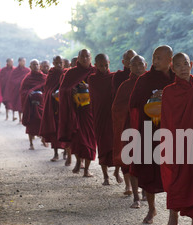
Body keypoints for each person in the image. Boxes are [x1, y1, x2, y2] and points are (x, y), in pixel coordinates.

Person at [160, 52, 193, 225]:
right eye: (178, 65)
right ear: (172, 67)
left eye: (185, 64)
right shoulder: (169, 92)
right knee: (177, 183)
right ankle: (173, 216)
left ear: (191, 65)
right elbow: (166, 121)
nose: (182, 68)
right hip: (177, 143)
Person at [128, 45, 175, 224]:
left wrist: (168, 95)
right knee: (149, 172)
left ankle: (174, 217)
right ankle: (152, 209)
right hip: (149, 130)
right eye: (154, 57)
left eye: (159, 58)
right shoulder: (145, 80)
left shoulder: (177, 78)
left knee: (174, 173)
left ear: (169, 60)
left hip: (172, 132)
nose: (155, 61)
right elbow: (133, 103)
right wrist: (151, 96)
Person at [112, 54, 147, 207]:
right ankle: (136, 198)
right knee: (132, 161)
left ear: (146, 65)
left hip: (148, 127)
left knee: (147, 161)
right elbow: (116, 108)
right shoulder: (125, 86)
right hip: (130, 128)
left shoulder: (151, 83)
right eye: (135, 65)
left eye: (141, 64)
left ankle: (146, 192)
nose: (138, 68)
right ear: (129, 67)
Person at [58, 49, 97, 177]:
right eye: (82, 56)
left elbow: (102, 89)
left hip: (90, 111)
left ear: (91, 58)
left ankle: (86, 169)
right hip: (76, 110)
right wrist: (71, 91)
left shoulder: (94, 72)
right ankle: (78, 161)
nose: (85, 59)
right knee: (77, 138)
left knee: (90, 140)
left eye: (87, 56)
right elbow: (63, 90)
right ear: (78, 58)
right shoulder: (71, 73)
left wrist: (89, 88)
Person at [88, 53, 122, 185]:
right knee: (102, 145)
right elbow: (96, 96)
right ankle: (105, 176)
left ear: (109, 63)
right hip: (99, 116)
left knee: (115, 145)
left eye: (106, 65)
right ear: (95, 65)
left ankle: (117, 171)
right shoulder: (92, 79)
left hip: (112, 115)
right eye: (100, 65)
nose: (103, 68)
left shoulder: (114, 77)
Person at [40, 55, 68, 161]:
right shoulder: (51, 74)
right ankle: (56, 153)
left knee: (65, 129)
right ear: (53, 63)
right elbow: (47, 90)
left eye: (61, 63)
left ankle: (66, 152)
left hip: (65, 107)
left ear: (63, 63)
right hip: (54, 107)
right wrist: (52, 94)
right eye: (57, 63)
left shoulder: (67, 73)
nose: (59, 65)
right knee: (55, 130)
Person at [20, 59, 47, 150]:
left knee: (42, 122)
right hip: (30, 104)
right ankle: (31, 143)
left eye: (37, 64)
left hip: (41, 103)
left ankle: (43, 138)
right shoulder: (27, 78)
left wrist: (42, 95)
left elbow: (47, 89)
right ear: (30, 67)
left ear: (40, 66)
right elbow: (23, 91)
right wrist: (29, 94)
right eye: (33, 65)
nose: (36, 66)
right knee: (31, 124)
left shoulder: (44, 77)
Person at [3, 57, 30, 123]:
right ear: (19, 62)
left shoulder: (27, 70)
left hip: (25, 90)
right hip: (17, 90)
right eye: (23, 61)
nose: (24, 63)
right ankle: (20, 119)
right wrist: (19, 83)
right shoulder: (15, 71)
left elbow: (29, 79)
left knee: (25, 104)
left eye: (25, 61)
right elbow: (12, 80)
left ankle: (24, 118)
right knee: (19, 104)